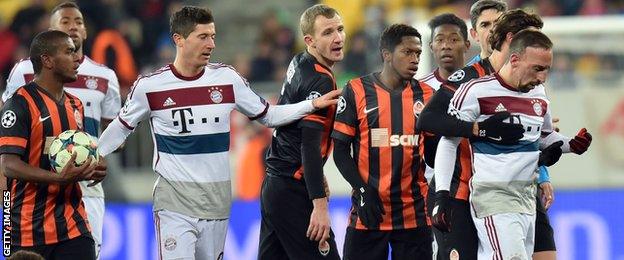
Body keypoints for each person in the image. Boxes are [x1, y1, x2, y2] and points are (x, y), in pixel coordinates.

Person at [96, 6, 339, 260]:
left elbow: (268, 115)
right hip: (174, 202)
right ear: (179, 39)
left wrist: (310, 105)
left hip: (217, 201)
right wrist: (96, 154)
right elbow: (121, 126)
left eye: (213, 36)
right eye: (203, 37)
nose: (211, 44)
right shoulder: (150, 87)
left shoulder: (227, 79)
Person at [442, 29, 591, 260]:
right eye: (537, 69)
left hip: (527, 196)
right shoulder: (476, 91)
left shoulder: (538, 95)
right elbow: (447, 140)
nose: (542, 78)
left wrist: (571, 145)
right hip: (494, 196)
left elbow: (542, 137)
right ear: (514, 60)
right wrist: (441, 194)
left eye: (546, 70)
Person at [418, 9, 543, 260]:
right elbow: (429, 119)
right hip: (460, 191)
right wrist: (479, 130)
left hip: (507, 193)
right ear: (511, 40)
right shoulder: (469, 76)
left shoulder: (530, 80)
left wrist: (548, 157)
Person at [2, 3, 121, 256]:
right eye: (68, 52)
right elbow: (8, 163)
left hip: (73, 215)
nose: (76, 59)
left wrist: (96, 161)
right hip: (26, 218)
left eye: (78, 22)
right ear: (47, 59)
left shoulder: (75, 102)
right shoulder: (20, 99)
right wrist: (5, 203)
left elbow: (79, 144)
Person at [332, 24, 433, 260]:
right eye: (407, 52)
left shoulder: (427, 95)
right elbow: (340, 151)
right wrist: (363, 189)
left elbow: (436, 152)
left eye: (418, 53)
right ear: (386, 55)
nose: (415, 59)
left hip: (415, 215)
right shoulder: (356, 90)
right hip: (369, 212)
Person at [260, 4, 343, 259]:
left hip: (276, 185)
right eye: (327, 32)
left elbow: (296, 132)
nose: (338, 38)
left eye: (340, 29)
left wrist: (315, 173)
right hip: (294, 191)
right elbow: (308, 143)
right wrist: (318, 204)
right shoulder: (321, 80)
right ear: (310, 40)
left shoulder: (300, 60)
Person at [418, 13, 473, 260]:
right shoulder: (418, 89)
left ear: (467, 44)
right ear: (431, 47)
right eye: (439, 40)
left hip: (477, 187)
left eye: (453, 39)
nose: (446, 45)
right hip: (437, 190)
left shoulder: (482, 84)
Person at [466, 0, 507, 66]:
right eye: (485, 25)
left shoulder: (524, 67)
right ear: (475, 34)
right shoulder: (469, 74)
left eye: (499, 23)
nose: (493, 29)